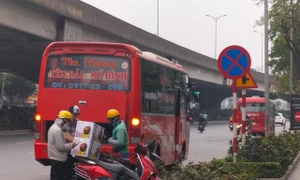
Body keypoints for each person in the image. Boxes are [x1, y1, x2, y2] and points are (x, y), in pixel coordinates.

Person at [48, 110, 78, 180]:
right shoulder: (58, 130)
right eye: (67, 121)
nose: (67, 124)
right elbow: (60, 146)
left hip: (54, 159)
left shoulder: (53, 127)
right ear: (64, 120)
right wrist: (71, 145)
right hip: (58, 160)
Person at [62, 105, 80, 180]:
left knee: (74, 168)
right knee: (67, 169)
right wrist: (73, 139)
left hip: (75, 150)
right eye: (74, 114)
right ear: (70, 113)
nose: (75, 116)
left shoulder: (79, 122)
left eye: (77, 115)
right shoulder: (65, 123)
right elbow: (62, 134)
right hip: (67, 150)